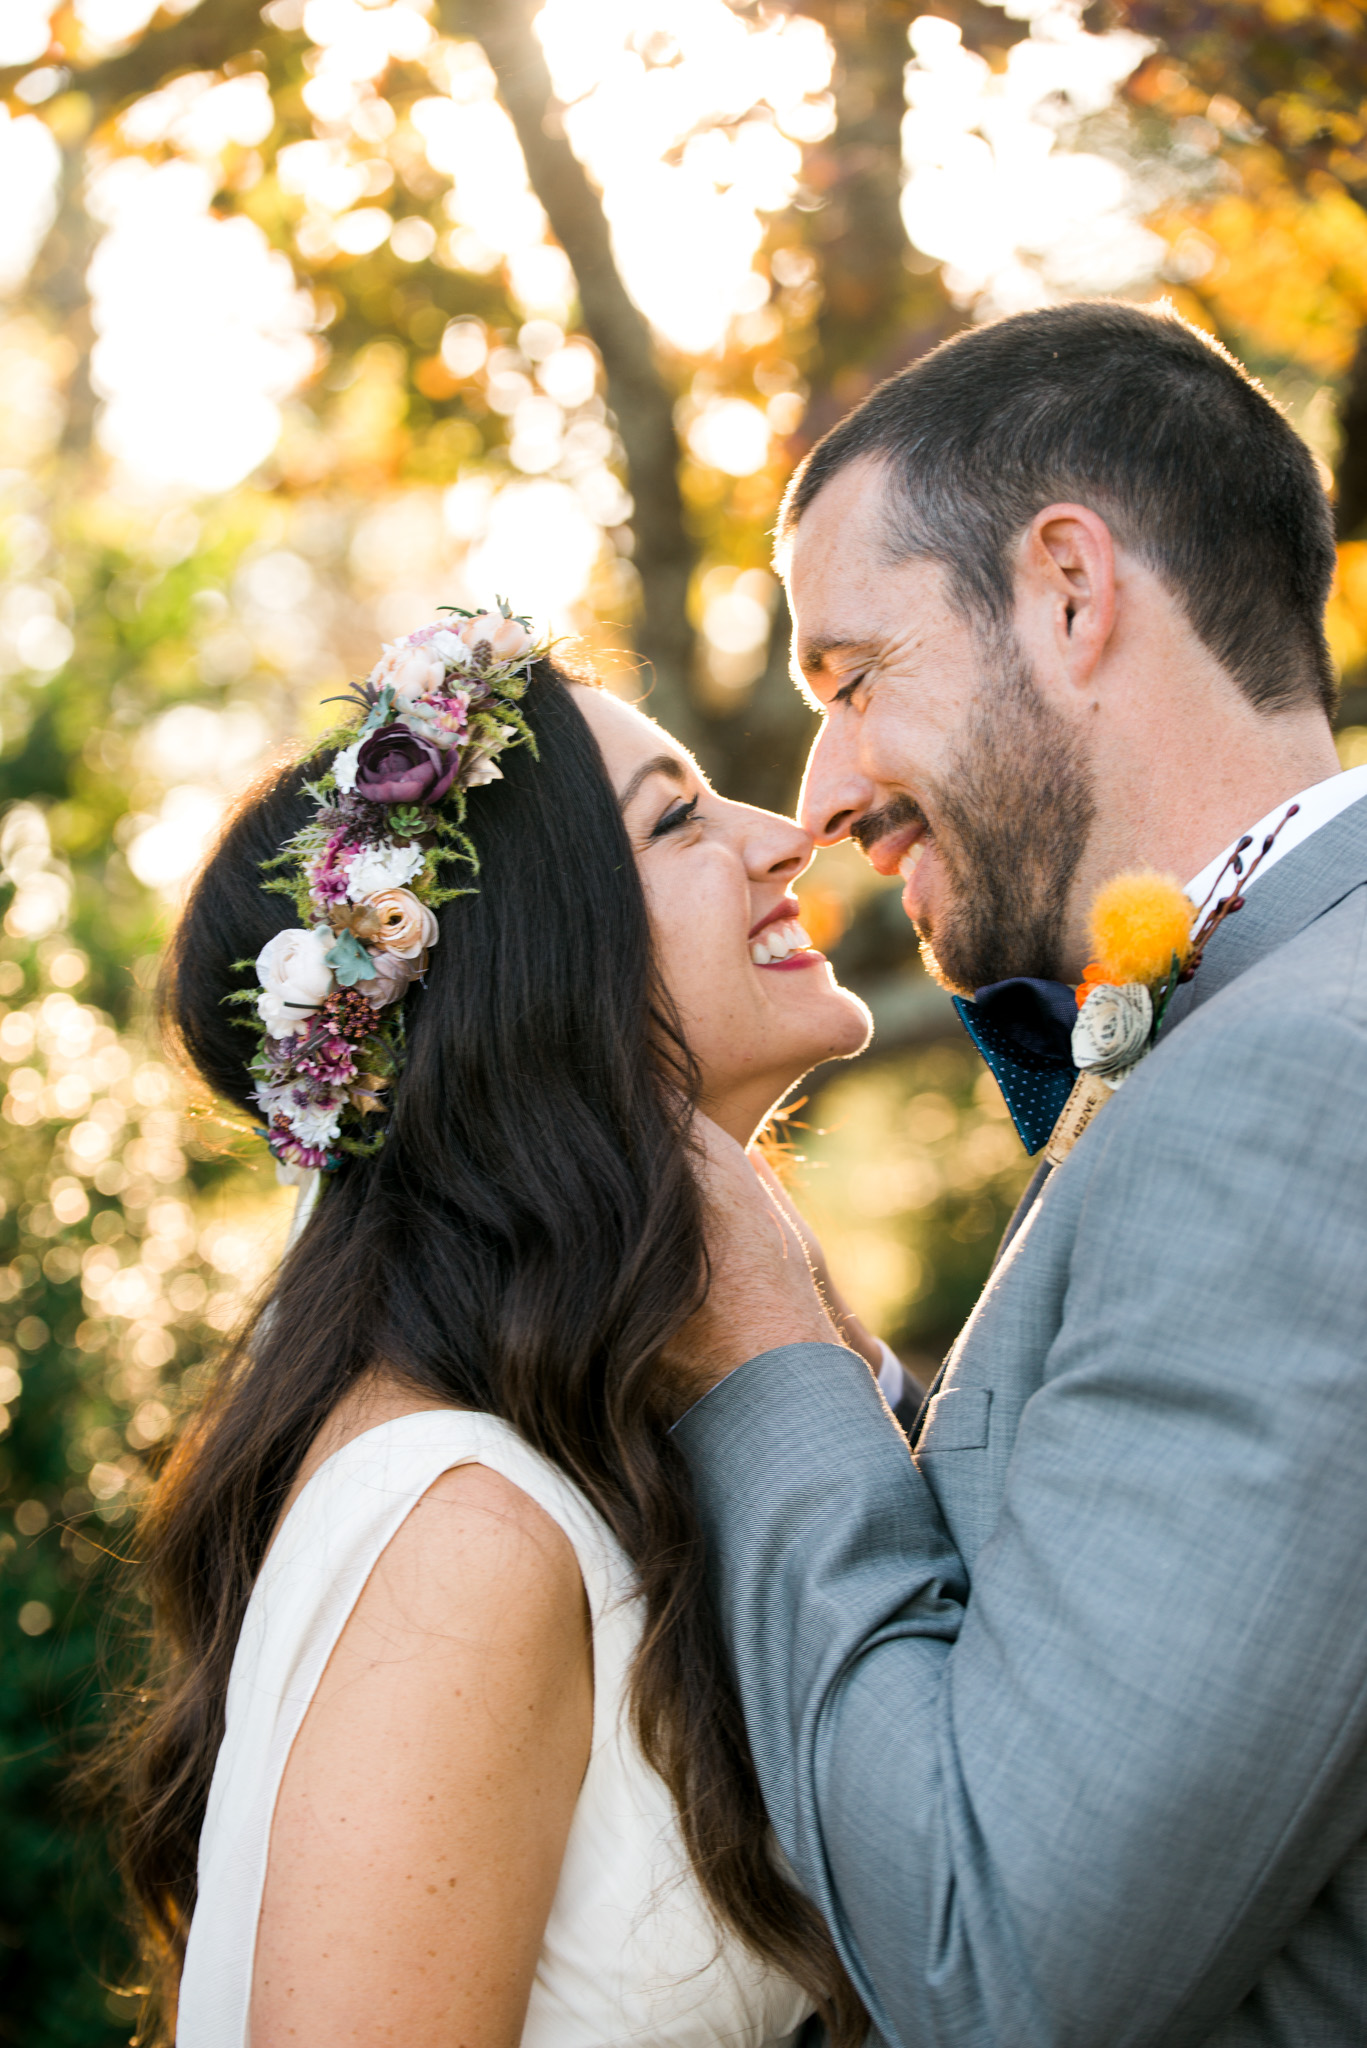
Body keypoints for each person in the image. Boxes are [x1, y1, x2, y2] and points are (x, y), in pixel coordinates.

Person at [668, 300, 1367, 2046]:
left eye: (851, 678)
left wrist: (762, 1368)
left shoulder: (1296, 1085)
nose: (821, 793)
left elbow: (1008, 1963)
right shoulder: (1257, 1025)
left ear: (1069, 589)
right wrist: (860, 1378)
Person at [115, 625, 880, 2048]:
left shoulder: (612, 1439)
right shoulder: (468, 1529)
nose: (786, 837)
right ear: (538, 967)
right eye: (680, 819)